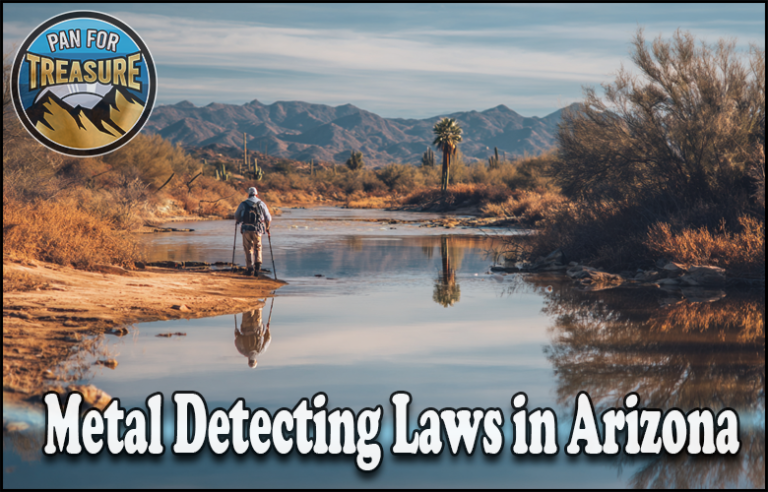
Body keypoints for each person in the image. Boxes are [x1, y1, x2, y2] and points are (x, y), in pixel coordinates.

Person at [234, 187, 272, 276]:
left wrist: (238, 221)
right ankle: (257, 266)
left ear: (248, 194)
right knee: (258, 247)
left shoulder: (243, 204)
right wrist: (267, 228)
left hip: (246, 229)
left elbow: (236, 216)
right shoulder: (261, 203)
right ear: (256, 194)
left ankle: (249, 268)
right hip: (258, 229)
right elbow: (268, 218)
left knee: (248, 248)